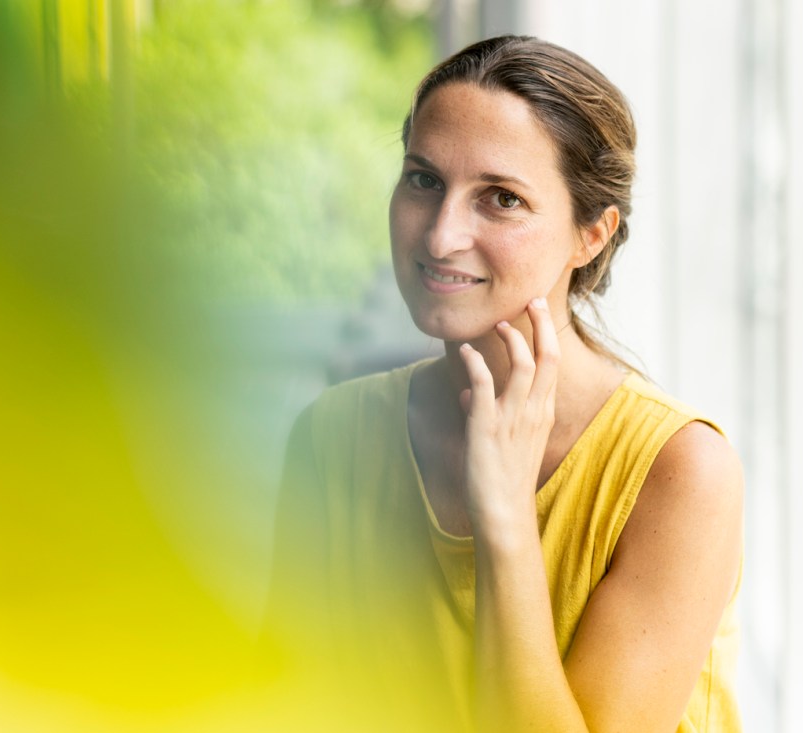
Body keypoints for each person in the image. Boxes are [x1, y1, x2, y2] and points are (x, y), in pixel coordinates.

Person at [266, 35, 744, 733]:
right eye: (424, 180)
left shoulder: (681, 473)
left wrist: (506, 519)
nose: (440, 236)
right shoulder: (332, 434)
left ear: (592, 235)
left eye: (501, 198)